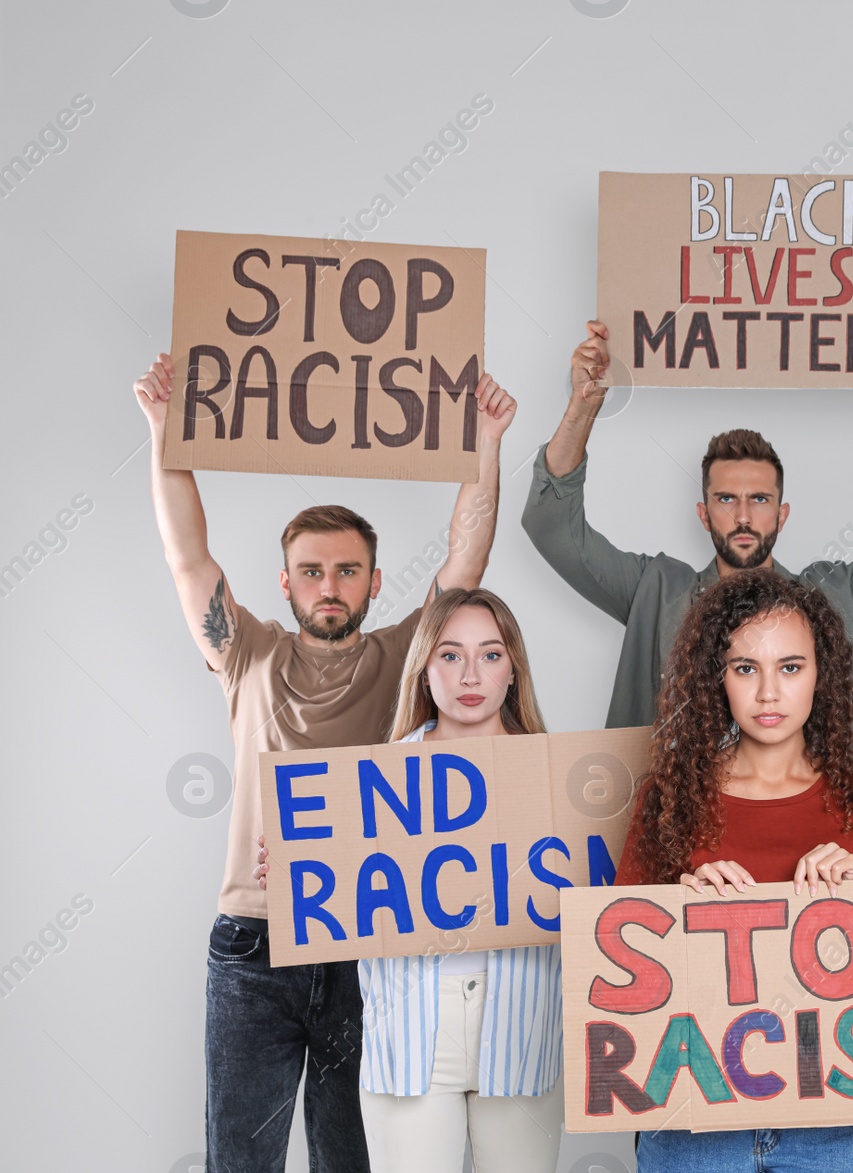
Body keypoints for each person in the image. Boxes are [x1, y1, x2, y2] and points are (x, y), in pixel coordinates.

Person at [132, 351, 517, 1173]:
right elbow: (187, 557)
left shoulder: (404, 657)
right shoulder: (249, 655)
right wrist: (166, 431)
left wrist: (485, 441)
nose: (329, 585)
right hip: (253, 945)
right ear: (286, 582)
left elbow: (466, 562)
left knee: (350, 1160)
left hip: (362, 940)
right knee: (240, 1160)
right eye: (312, 572)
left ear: (376, 581)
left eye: (347, 570)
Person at [522, 320, 853, 803]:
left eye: (758, 499)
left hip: (820, 841)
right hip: (685, 843)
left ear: (782, 514)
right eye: (725, 499)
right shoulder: (656, 590)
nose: (741, 515)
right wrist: (584, 405)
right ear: (703, 512)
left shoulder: (830, 596)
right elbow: (553, 528)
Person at [614, 570, 853, 1172]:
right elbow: (613, 965)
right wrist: (675, 913)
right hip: (695, 1127)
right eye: (745, 668)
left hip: (833, 1128)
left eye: (790, 667)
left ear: (822, 675)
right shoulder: (669, 800)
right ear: (717, 678)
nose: (768, 692)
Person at [257, 589, 563, 1172]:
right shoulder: (370, 780)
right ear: (424, 670)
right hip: (412, 1035)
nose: (470, 673)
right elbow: (336, 893)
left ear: (513, 670)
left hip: (525, 1029)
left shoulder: (562, 776)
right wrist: (295, 875)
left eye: (490, 654)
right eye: (450, 655)